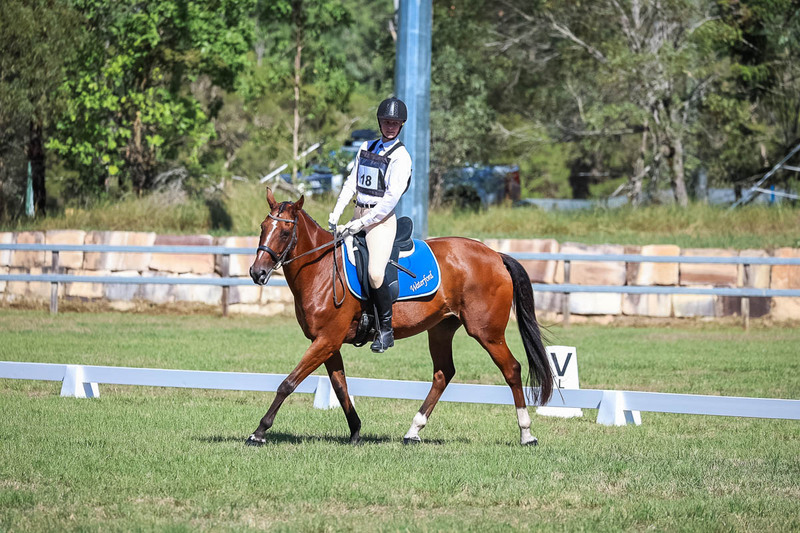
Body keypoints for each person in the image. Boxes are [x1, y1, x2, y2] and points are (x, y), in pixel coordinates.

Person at [328, 97, 413, 353]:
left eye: (395, 123)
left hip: (381, 222)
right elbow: (351, 182)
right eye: (387, 122)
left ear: (400, 126)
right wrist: (336, 212)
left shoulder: (401, 157)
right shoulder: (367, 146)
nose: (390, 126)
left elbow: (389, 200)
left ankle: (385, 330)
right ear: (380, 122)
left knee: (376, 273)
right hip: (357, 214)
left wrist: (362, 223)